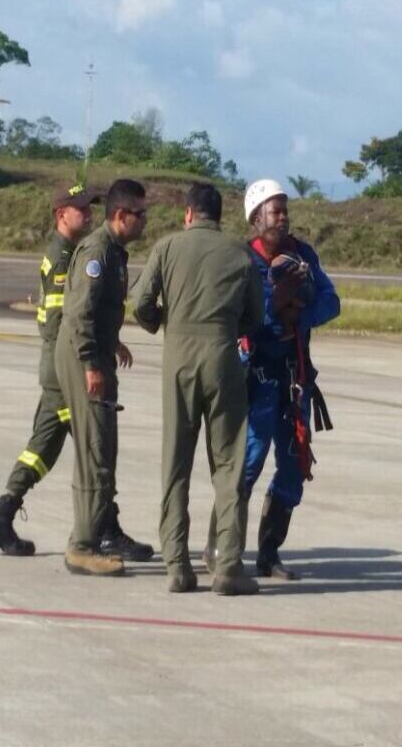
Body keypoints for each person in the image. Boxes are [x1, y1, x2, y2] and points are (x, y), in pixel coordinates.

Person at [132, 183, 264, 596]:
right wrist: (226, 329)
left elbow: (140, 303)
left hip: (179, 358)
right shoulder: (240, 253)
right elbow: (256, 317)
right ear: (218, 216)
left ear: (188, 213)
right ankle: (227, 565)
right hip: (223, 357)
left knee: (176, 461)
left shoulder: (167, 248)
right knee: (228, 465)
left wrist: (162, 323)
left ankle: (177, 566)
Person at [222, 178, 339, 581]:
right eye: (275, 210)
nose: (284, 216)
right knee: (249, 462)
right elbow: (237, 313)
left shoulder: (303, 255)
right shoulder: (241, 260)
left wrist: (298, 317)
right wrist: (275, 309)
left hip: (295, 378)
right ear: (256, 218)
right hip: (257, 379)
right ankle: (225, 546)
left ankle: (269, 552)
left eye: (286, 209)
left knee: (293, 466)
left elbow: (331, 301)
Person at [0, 183, 103, 556]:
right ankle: (105, 525)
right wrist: (79, 360)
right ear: (60, 214)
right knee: (93, 444)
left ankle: (2, 516)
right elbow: (56, 320)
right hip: (63, 368)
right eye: (81, 208)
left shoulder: (68, 251)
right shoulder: (64, 257)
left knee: (44, 448)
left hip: (57, 366)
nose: (89, 214)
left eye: (90, 207)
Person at [54, 178, 154, 576]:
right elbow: (78, 313)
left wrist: (113, 343)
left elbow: (99, 310)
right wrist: (92, 364)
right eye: (140, 214)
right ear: (120, 215)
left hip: (94, 349)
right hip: (82, 356)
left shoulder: (116, 251)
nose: (145, 221)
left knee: (104, 448)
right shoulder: (98, 251)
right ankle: (83, 545)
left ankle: (97, 533)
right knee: (96, 451)